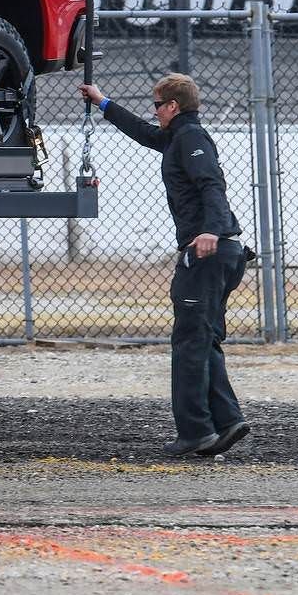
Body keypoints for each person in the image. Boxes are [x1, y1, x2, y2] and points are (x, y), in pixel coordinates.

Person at [80, 74, 250, 458]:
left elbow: (212, 184)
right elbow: (143, 132)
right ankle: (227, 421)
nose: (153, 111)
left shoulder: (191, 139)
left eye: (157, 105)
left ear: (173, 106)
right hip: (219, 251)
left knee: (189, 342)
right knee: (204, 340)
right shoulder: (177, 137)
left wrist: (210, 230)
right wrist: (103, 103)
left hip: (207, 251)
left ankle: (196, 432)